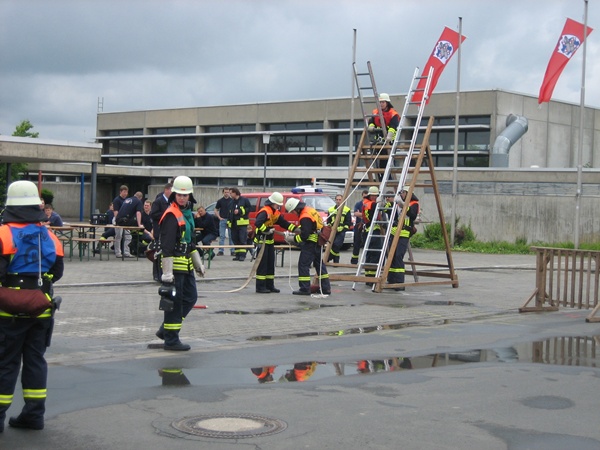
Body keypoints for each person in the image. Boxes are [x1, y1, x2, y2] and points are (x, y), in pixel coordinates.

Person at [0, 180, 64, 432]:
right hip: (42, 308)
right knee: (35, 360)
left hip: (9, 311)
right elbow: (57, 272)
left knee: (6, 363)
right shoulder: (50, 235)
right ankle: (34, 415)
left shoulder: (4, 234)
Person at [155, 175, 204, 351]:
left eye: (185, 195)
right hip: (175, 268)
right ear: (174, 195)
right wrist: (167, 274)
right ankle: (171, 340)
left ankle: (165, 330)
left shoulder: (187, 214)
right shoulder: (171, 215)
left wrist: (197, 264)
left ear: (190, 196)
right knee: (174, 306)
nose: (182, 198)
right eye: (179, 195)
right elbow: (167, 246)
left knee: (191, 298)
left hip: (186, 265)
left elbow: (190, 242)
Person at [284, 198, 331, 296]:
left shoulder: (304, 216)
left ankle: (304, 288)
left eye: (292, 211)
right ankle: (326, 288)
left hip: (310, 243)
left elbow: (305, 235)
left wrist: (293, 239)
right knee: (319, 265)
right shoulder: (310, 210)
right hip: (318, 242)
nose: (293, 213)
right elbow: (310, 226)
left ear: (296, 209)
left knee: (303, 265)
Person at [254, 192, 296, 294]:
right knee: (262, 265)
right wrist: (266, 230)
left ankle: (270, 285)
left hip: (269, 242)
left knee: (270, 264)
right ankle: (260, 287)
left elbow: (284, 223)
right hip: (262, 241)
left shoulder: (275, 213)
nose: (279, 207)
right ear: (273, 203)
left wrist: (295, 229)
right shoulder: (265, 211)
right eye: (278, 205)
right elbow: (257, 223)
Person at [387, 186, 419, 291]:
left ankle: (400, 282)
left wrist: (404, 206)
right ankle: (391, 280)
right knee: (391, 256)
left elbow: (413, 215)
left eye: (403, 192)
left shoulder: (414, 203)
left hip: (404, 233)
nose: (402, 194)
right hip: (394, 232)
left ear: (408, 193)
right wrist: (383, 204)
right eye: (401, 193)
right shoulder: (397, 203)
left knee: (398, 256)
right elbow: (388, 210)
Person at [150, 183, 172, 281]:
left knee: (165, 253)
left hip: (168, 231)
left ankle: (165, 272)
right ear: (166, 190)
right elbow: (153, 214)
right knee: (158, 253)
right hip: (159, 230)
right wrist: (166, 214)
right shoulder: (158, 201)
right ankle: (157, 274)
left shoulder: (172, 202)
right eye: (172, 191)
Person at [362, 186, 382, 284]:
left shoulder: (366, 202)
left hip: (367, 230)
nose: (374, 197)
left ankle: (368, 276)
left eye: (376, 196)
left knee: (369, 253)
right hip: (373, 230)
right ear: (369, 195)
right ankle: (372, 277)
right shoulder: (373, 204)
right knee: (375, 253)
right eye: (373, 196)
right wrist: (380, 203)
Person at [114, 191, 144, 258]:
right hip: (125, 221)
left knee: (121, 237)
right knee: (126, 236)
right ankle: (126, 252)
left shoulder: (127, 199)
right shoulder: (138, 201)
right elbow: (138, 213)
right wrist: (139, 225)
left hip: (118, 220)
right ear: (140, 198)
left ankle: (119, 253)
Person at [326, 194, 352, 263]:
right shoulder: (331, 209)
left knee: (337, 244)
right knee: (333, 246)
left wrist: (343, 229)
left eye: (340, 200)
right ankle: (336, 262)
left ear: (342, 200)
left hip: (341, 231)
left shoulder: (347, 209)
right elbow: (328, 221)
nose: (338, 201)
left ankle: (327, 258)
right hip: (332, 231)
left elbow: (348, 222)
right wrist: (330, 228)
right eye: (337, 200)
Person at [228, 187, 251, 261]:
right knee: (235, 240)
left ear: (235, 193)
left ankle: (242, 255)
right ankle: (237, 255)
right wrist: (228, 222)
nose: (230, 194)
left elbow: (249, 209)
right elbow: (229, 213)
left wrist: (240, 211)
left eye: (231, 193)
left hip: (242, 224)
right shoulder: (231, 202)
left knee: (242, 240)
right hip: (233, 224)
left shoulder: (244, 200)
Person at [350, 190, 368, 265]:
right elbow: (356, 213)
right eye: (364, 197)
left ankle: (367, 260)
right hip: (358, 225)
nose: (365, 198)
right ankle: (354, 260)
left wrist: (361, 214)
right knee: (356, 243)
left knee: (367, 243)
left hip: (367, 226)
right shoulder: (358, 204)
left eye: (367, 197)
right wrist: (365, 215)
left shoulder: (370, 204)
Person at [214, 187, 234, 256]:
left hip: (230, 220)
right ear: (223, 193)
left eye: (228, 192)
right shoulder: (220, 201)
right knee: (222, 236)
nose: (226, 193)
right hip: (223, 219)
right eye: (225, 192)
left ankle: (232, 250)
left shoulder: (232, 201)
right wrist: (219, 217)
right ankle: (221, 250)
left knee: (231, 236)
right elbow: (216, 210)